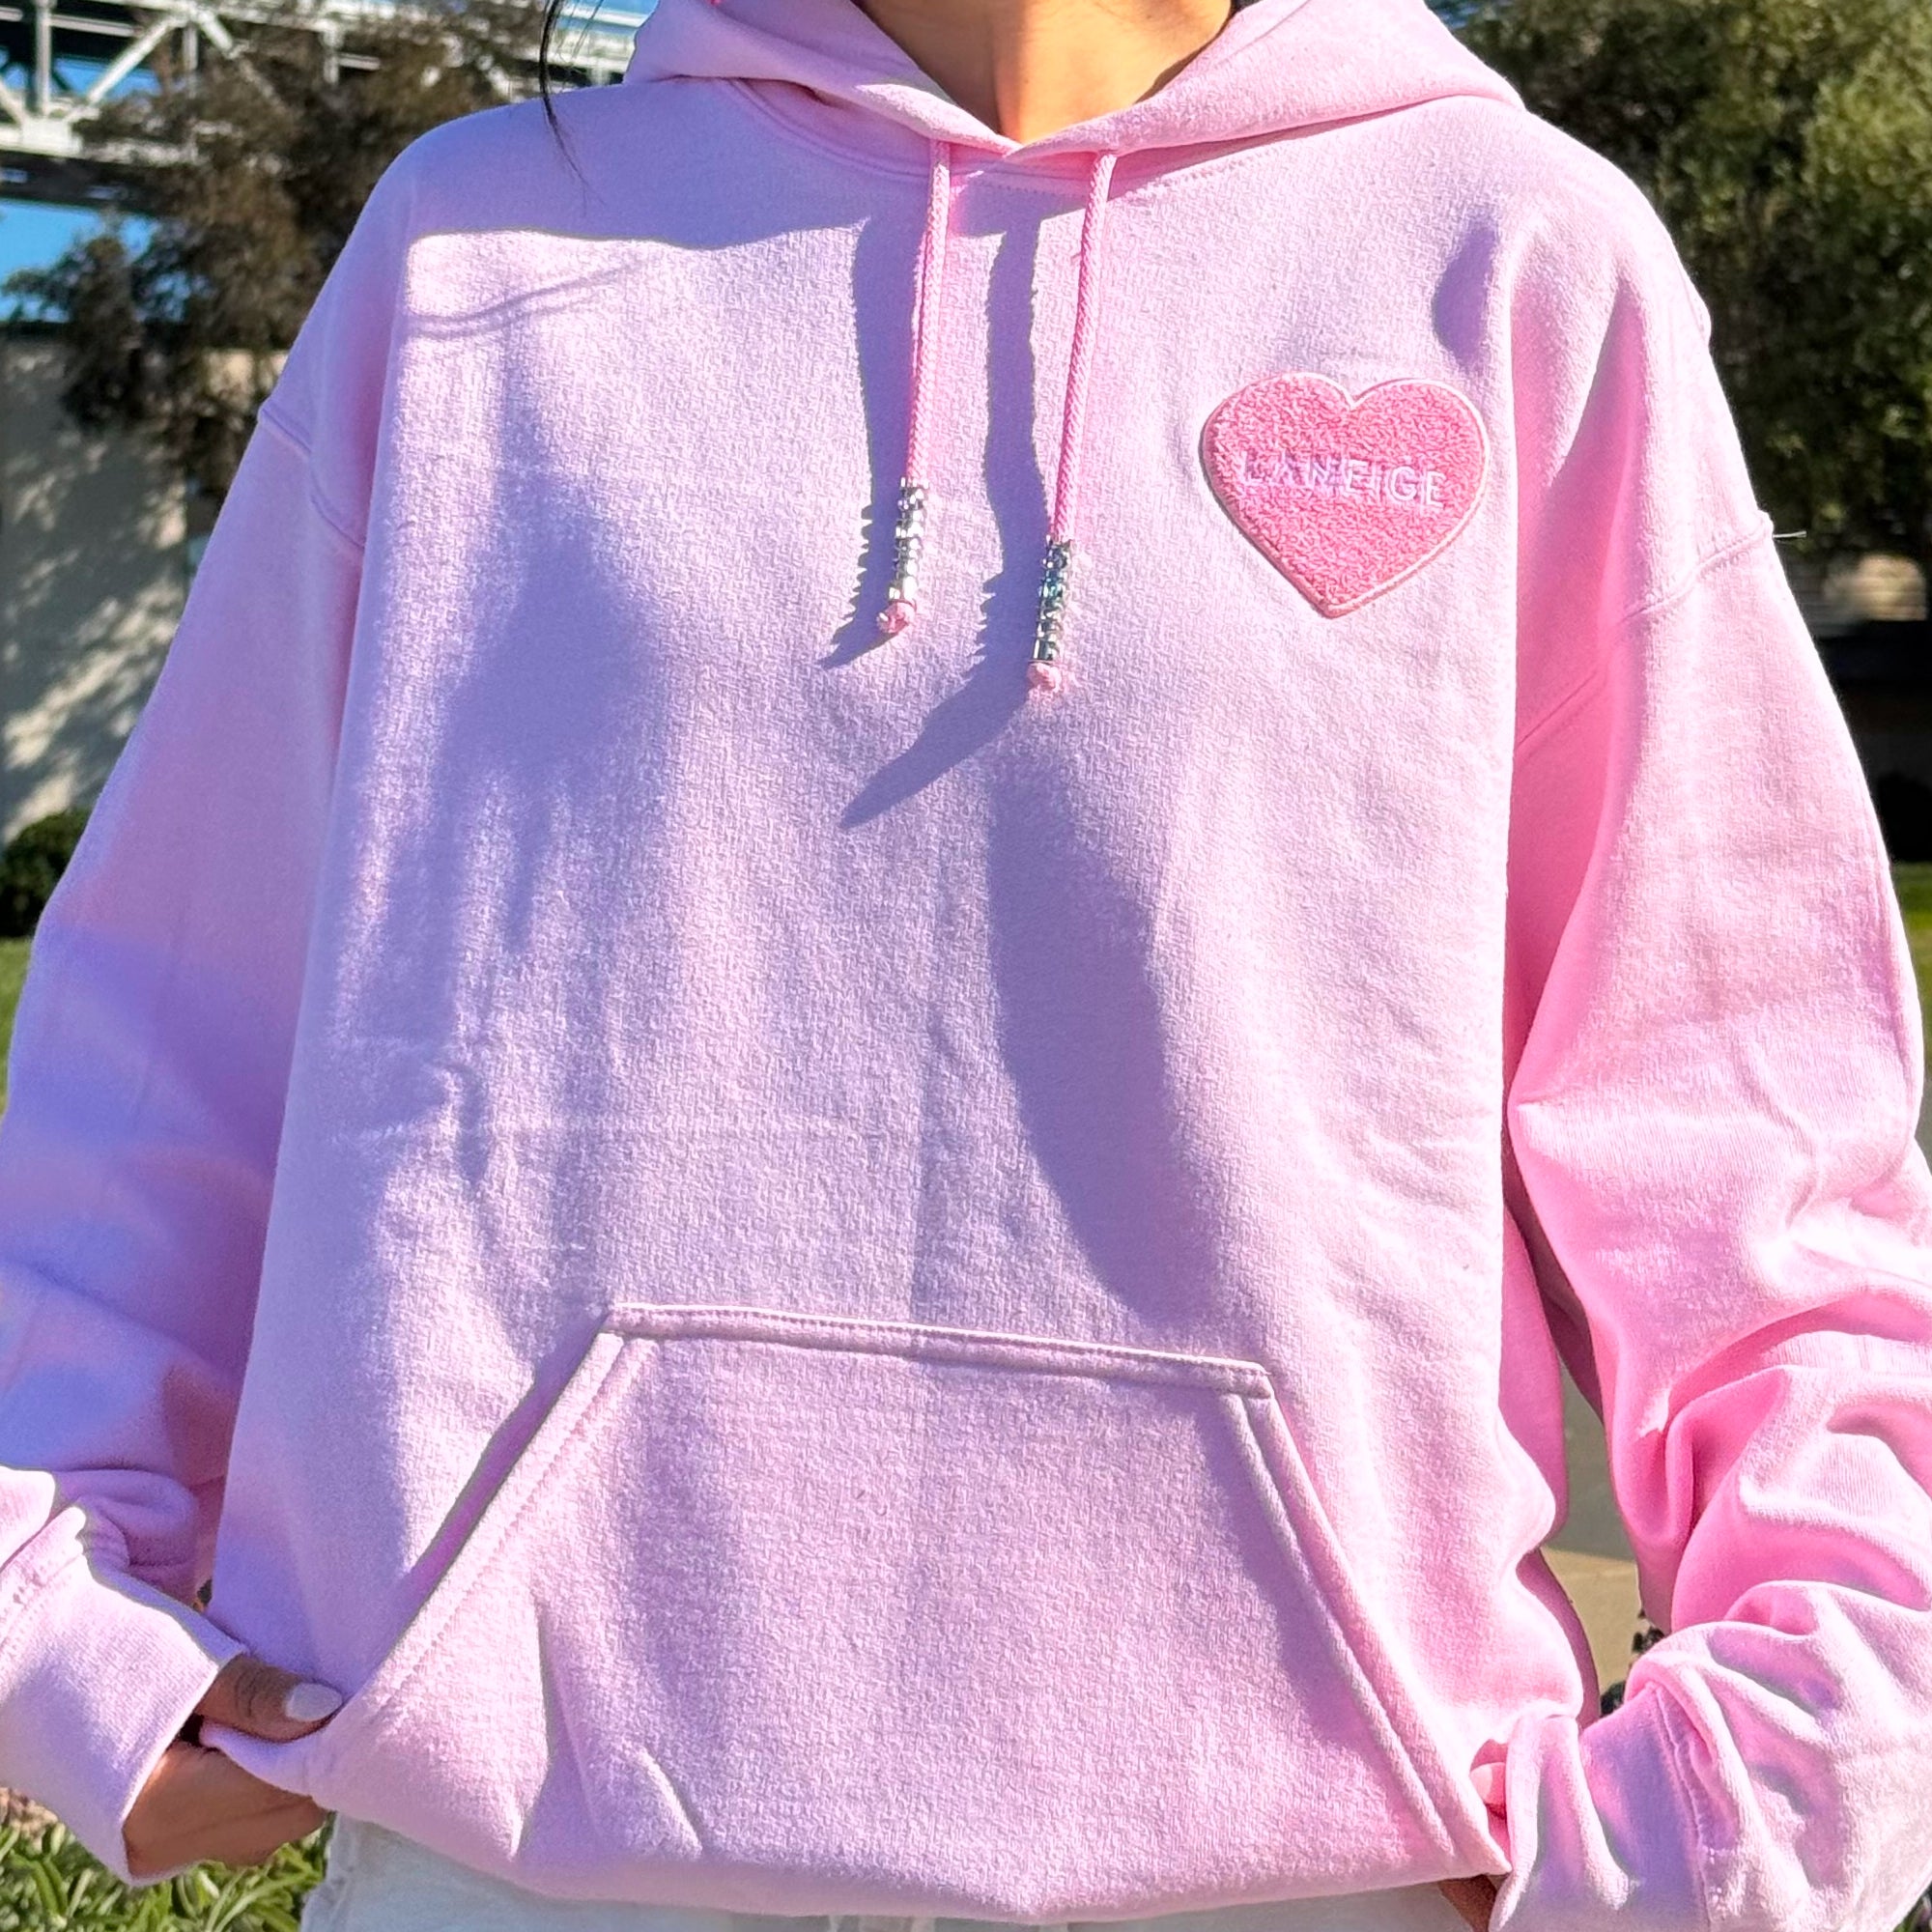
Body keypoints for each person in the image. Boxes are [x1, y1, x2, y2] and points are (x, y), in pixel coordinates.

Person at [2, 0, 1932, 1923]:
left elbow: (1746, 1137)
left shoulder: (1510, 260)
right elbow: (178, 1013)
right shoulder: (476, 256)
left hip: (1308, 1878)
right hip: (519, 1866)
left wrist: (1766, 1789)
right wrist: (52, 1616)